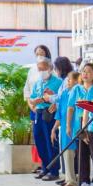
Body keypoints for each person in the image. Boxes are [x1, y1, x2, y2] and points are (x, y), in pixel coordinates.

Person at [28, 56, 63, 181]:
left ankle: (54, 171)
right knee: (39, 140)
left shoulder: (58, 82)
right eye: (39, 69)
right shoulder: (38, 83)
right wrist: (34, 101)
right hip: (38, 112)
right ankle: (45, 168)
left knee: (51, 142)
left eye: (43, 68)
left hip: (50, 113)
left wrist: (54, 102)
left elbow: (62, 98)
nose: (41, 71)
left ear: (50, 68)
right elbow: (31, 98)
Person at [44, 57, 74, 186]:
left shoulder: (68, 80)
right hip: (62, 118)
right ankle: (68, 177)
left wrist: (49, 98)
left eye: (56, 68)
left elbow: (61, 98)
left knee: (68, 152)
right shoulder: (64, 81)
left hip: (69, 121)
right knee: (64, 151)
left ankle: (71, 179)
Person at [66, 64, 93, 186]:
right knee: (82, 154)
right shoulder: (76, 89)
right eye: (83, 71)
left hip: (92, 126)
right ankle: (84, 180)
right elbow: (70, 108)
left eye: (89, 71)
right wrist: (68, 125)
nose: (85, 74)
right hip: (79, 126)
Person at [50, 71, 80, 186]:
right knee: (65, 154)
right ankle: (68, 178)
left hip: (72, 127)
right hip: (63, 128)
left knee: (70, 154)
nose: (67, 82)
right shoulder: (64, 93)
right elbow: (59, 114)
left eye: (70, 80)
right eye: (67, 80)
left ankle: (72, 180)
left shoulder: (77, 92)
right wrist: (54, 129)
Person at [25, 45, 52, 173]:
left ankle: (51, 168)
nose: (39, 56)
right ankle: (43, 165)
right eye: (37, 54)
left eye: (42, 53)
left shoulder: (52, 71)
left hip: (47, 111)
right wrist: (31, 105)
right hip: (34, 110)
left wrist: (40, 101)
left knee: (48, 140)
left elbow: (53, 95)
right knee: (38, 139)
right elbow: (28, 90)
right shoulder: (32, 70)